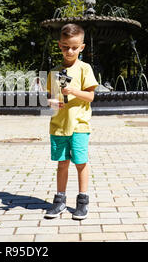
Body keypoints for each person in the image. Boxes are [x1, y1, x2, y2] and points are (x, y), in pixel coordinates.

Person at [45, 23, 99, 220]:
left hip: (79, 125)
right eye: (66, 46)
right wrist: (51, 102)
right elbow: (49, 100)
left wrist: (74, 91)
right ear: (59, 45)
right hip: (59, 126)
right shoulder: (53, 72)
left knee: (80, 163)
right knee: (62, 164)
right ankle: (59, 201)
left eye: (74, 47)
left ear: (81, 47)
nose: (70, 51)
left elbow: (91, 97)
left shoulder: (85, 68)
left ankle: (82, 201)